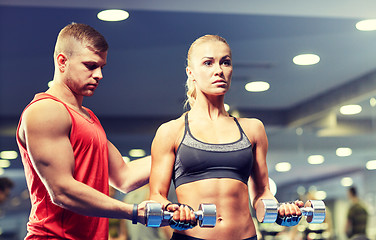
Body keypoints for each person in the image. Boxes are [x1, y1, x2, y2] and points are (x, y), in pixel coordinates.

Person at [149, 34, 304, 240]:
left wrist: (279, 211)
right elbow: (156, 197)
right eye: (208, 63)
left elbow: (261, 195)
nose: (219, 70)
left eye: (225, 62)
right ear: (191, 72)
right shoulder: (171, 131)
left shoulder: (253, 129)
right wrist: (173, 210)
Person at [16, 23, 151, 239]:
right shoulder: (46, 110)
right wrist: (133, 212)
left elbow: (124, 177)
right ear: (62, 61)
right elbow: (62, 191)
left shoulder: (87, 117)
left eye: (102, 67)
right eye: (90, 66)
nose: (99, 75)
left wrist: (178, 147)